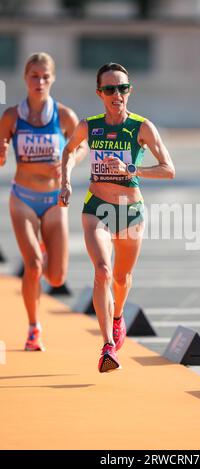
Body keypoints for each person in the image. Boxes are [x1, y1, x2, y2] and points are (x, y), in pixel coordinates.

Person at [59, 62, 175, 373]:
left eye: (122, 88)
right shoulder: (89, 126)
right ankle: (108, 345)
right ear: (100, 93)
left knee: (121, 279)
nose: (117, 94)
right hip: (96, 207)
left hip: (130, 211)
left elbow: (168, 169)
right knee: (102, 271)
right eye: (110, 89)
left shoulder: (142, 127)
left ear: (129, 91)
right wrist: (66, 180)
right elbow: (68, 151)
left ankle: (118, 315)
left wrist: (132, 170)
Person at [0, 52, 86, 351]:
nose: (40, 82)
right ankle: (33, 327)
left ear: (53, 79)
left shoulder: (64, 116)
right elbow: (1, 150)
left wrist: (69, 161)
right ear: (25, 78)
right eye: (34, 76)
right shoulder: (12, 116)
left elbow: (82, 146)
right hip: (22, 197)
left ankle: (48, 246)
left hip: (53, 198)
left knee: (56, 275)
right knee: (33, 265)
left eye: (45, 76)